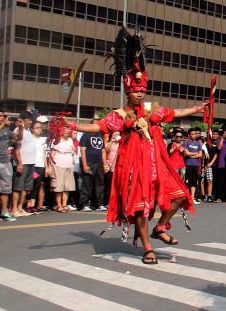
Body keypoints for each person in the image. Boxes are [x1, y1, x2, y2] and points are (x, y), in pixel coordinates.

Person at [69, 27, 202, 264]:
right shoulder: (120, 114)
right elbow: (98, 127)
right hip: (135, 169)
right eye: (135, 91)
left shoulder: (153, 109)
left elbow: (176, 113)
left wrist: (196, 109)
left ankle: (160, 227)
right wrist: (73, 126)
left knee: (180, 195)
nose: (140, 94)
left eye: (142, 91)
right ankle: (148, 248)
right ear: (128, 92)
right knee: (140, 208)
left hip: (159, 166)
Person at [78, 118, 108, 211]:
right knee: (87, 183)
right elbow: (82, 150)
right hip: (89, 162)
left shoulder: (100, 136)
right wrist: (84, 165)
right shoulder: (85, 135)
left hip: (99, 163)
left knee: (100, 184)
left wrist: (105, 164)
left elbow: (103, 151)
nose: (97, 126)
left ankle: (98, 204)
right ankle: (84, 204)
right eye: (95, 124)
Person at [50, 126, 77, 212]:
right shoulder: (56, 140)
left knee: (67, 186)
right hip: (58, 164)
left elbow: (73, 151)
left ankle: (64, 204)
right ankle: (59, 205)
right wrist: (50, 166)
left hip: (69, 164)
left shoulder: (70, 140)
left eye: (68, 129)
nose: (67, 131)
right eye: (65, 129)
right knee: (59, 186)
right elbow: (52, 153)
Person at [182, 127, 203, 203]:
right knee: (187, 181)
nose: (194, 135)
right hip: (188, 164)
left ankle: (192, 198)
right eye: (192, 134)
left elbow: (200, 155)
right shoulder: (186, 142)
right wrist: (196, 153)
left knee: (194, 182)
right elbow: (186, 153)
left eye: (195, 134)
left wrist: (192, 155)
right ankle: (187, 198)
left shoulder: (198, 143)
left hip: (196, 165)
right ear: (189, 135)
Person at [103, 131, 121, 207]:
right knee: (108, 186)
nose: (117, 136)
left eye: (118, 134)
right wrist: (111, 141)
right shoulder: (109, 143)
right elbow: (106, 150)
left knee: (117, 186)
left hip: (117, 168)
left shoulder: (121, 144)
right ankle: (107, 202)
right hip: (110, 167)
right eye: (115, 134)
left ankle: (116, 202)